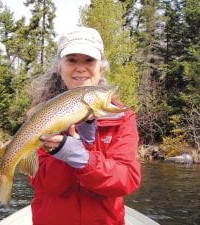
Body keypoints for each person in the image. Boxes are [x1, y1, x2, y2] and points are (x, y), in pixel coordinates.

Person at [27, 26, 141, 225]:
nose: (80, 67)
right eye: (71, 60)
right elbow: (46, 184)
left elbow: (127, 180)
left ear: (101, 67)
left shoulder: (123, 117)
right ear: (59, 67)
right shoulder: (42, 116)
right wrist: (63, 154)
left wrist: (84, 157)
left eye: (89, 60)